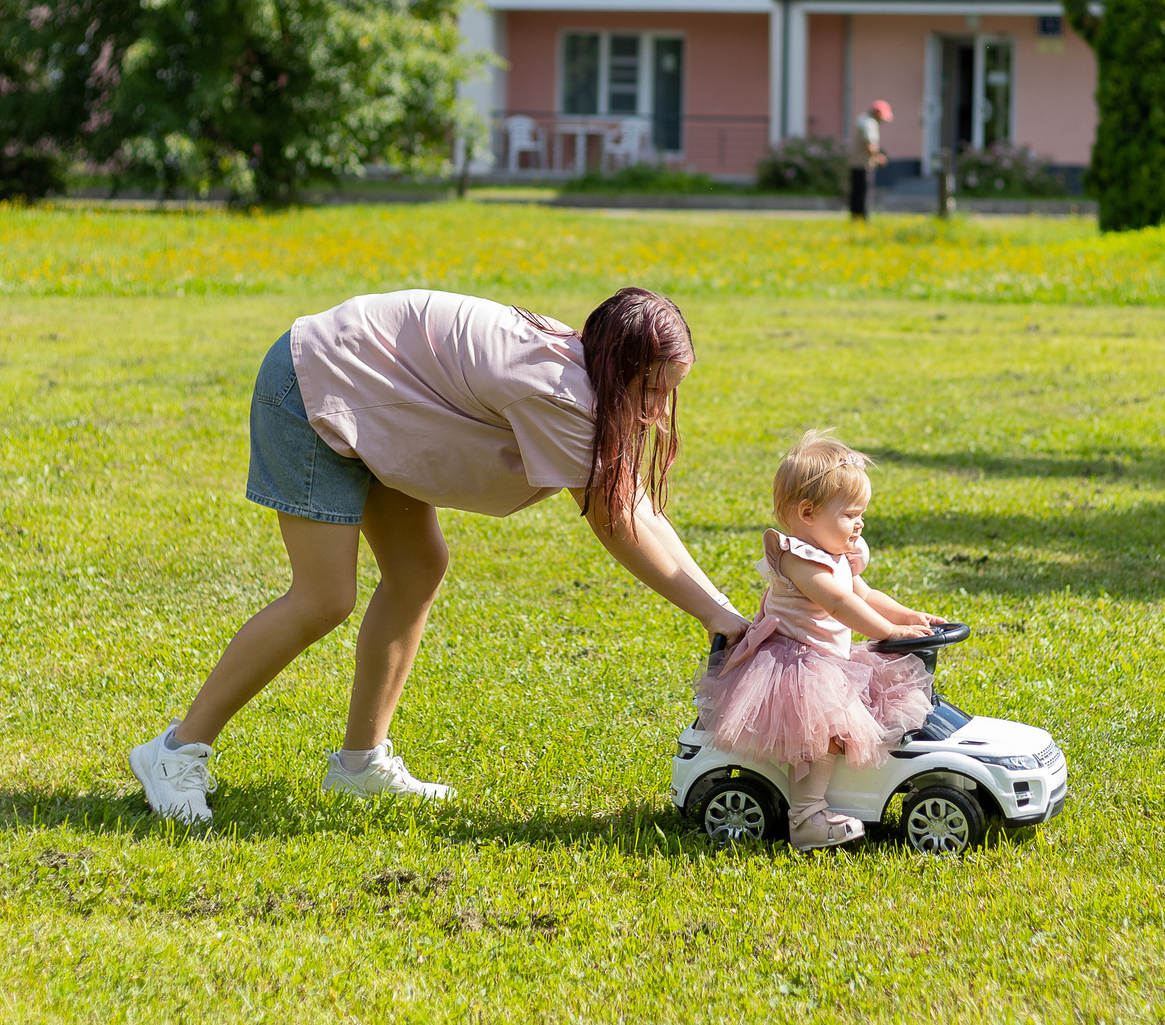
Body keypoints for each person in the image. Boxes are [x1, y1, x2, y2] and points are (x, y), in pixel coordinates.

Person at [130, 286, 750, 823]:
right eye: (645, 393)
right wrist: (718, 618)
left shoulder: (579, 365)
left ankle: (360, 766)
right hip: (311, 383)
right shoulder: (556, 390)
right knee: (323, 597)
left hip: (370, 386)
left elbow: (634, 503)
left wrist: (723, 612)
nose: (652, 412)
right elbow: (617, 521)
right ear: (613, 366)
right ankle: (177, 753)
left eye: (665, 395)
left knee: (417, 569)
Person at [696, 433, 941, 851]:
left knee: (871, 704)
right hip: (795, 664)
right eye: (849, 514)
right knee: (818, 729)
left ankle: (852, 788)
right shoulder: (797, 558)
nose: (859, 524)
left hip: (826, 658)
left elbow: (863, 594)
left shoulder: (833, 553)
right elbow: (840, 601)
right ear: (807, 513)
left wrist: (906, 616)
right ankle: (807, 816)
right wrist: (888, 632)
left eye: (861, 513)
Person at [846, 100, 890, 221]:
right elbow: (869, 146)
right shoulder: (870, 124)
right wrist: (879, 157)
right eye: (882, 118)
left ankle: (855, 218)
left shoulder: (862, 119)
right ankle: (862, 219)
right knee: (864, 194)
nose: (882, 122)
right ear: (877, 113)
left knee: (856, 193)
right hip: (864, 164)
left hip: (854, 163)